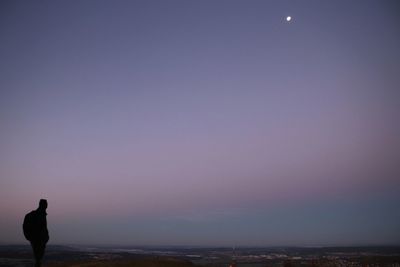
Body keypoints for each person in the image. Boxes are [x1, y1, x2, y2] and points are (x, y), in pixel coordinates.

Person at [23, 199, 49, 267]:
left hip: (39, 239)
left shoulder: (41, 214)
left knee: (38, 257)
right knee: (38, 257)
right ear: (43, 205)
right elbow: (42, 228)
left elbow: (44, 227)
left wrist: (46, 237)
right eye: (46, 204)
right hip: (38, 239)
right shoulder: (37, 215)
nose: (46, 206)